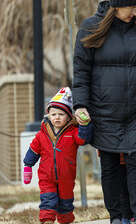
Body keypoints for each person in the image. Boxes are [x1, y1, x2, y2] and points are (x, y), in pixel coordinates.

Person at [72, 0, 136, 223]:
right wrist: (81, 104)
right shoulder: (91, 27)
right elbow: (81, 72)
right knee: (109, 165)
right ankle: (116, 216)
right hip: (103, 109)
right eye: (132, 7)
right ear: (118, 5)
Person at [22, 87, 92, 224]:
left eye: (61, 114)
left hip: (67, 177)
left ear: (69, 116)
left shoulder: (72, 132)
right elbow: (33, 150)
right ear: (49, 116)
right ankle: (47, 220)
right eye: (53, 115)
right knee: (48, 200)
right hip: (46, 177)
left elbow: (83, 139)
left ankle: (65, 221)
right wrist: (27, 166)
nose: (57, 117)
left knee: (65, 204)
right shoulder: (42, 134)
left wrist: (85, 125)